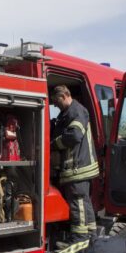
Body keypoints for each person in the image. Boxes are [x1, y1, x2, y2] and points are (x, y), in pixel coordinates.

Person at [50, 85, 100, 243]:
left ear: (64, 96)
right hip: (77, 170)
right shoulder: (68, 112)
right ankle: (91, 237)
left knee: (78, 204)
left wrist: (53, 144)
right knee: (84, 204)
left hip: (78, 170)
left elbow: (74, 136)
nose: (55, 105)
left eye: (56, 101)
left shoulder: (77, 111)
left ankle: (80, 240)